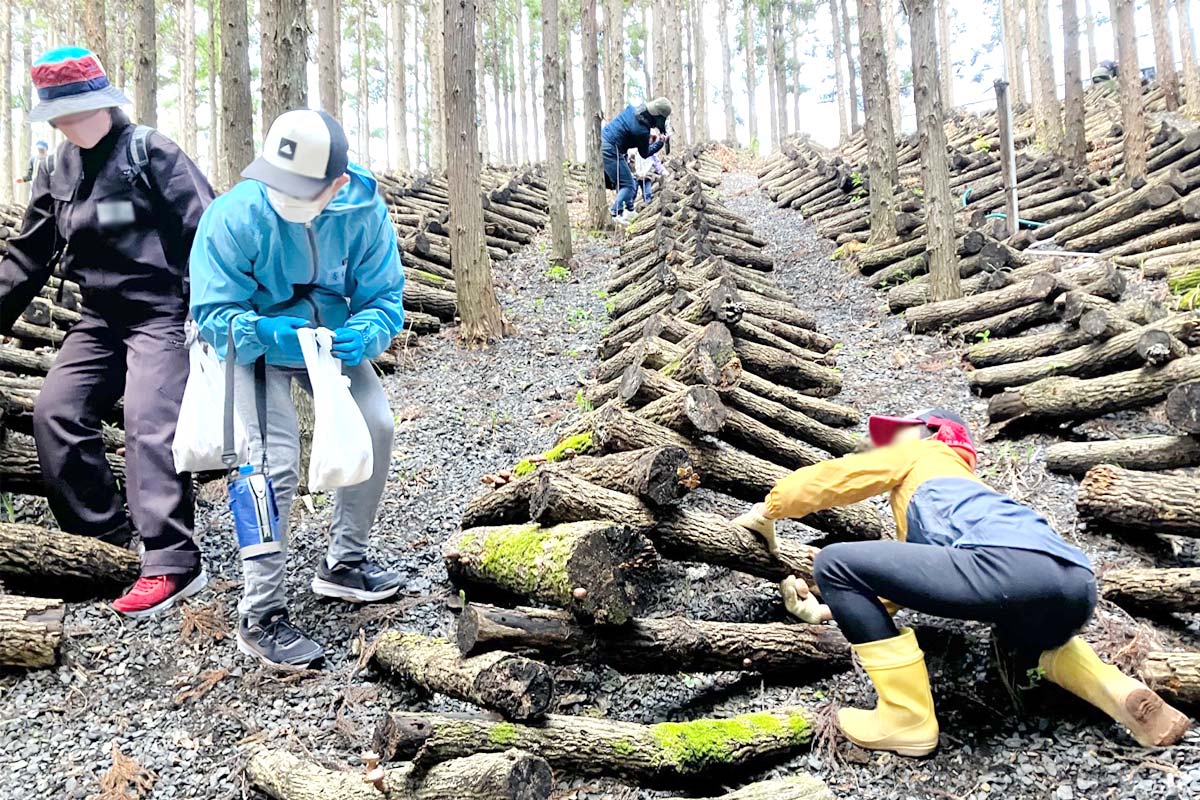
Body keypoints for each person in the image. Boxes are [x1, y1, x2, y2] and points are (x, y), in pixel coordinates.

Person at [733, 408, 1190, 756]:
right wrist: (826, 611)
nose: (888, 444)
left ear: (935, 435)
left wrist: (766, 510)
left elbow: (835, 479)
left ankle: (907, 718)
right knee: (1027, 642)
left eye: (902, 433)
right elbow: (912, 583)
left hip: (1006, 569)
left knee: (834, 563)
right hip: (1072, 582)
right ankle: (1119, 691)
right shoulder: (970, 494)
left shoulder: (926, 455)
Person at [0, 47, 214, 617]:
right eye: (58, 114)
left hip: (163, 312)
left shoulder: (152, 152)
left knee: (148, 421)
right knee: (56, 413)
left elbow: (208, 232)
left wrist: (209, 314)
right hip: (98, 318)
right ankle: (107, 538)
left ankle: (172, 560)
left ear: (104, 102)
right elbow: (26, 259)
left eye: (77, 109)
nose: (68, 122)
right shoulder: (56, 169)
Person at [189, 109, 405, 670]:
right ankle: (260, 614)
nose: (286, 197)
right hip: (255, 347)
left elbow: (385, 298)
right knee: (270, 462)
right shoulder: (232, 216)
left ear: (337, 184)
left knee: (376, 425)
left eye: (303, 189)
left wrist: (367, 333)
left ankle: (345, 563)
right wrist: (257, 329)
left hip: (328, 343)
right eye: (278, 184)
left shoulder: (364, 213)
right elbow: (211, 311)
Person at [601, 97, 670, 224]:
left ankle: (629, 210)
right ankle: (614, 213)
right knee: (628, 185)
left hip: (604, 142)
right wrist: (660, 143)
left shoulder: (634, 110)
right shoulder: (641, 131)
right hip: (610, 149)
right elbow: (645, 153)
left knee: (622, 182)